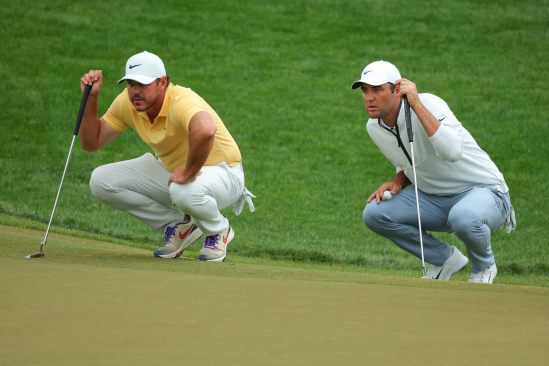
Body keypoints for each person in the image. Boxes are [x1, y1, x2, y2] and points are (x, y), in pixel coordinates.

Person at [79, 51, 255, 262]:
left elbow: (206, 130)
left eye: (142, 84)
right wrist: (91, 97)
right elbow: (91, 142)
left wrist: (188, 173)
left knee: (182, 188)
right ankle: (180, 226)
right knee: (101, 180)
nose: (135, 91)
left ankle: (218, 230)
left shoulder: (181, 101)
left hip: (225, 174)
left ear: (162, 82)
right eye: (130, 84)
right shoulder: (126, 102)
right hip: (176, 176)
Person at [353, 60, 516, 284]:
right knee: (374, 213)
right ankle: (444, 259)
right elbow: (410, 161)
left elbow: (452, 152)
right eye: (365, 90)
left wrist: (417, 105)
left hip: (485, 191)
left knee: (464, 217)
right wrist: (398, 181)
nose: (369, 97)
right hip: (437, 199)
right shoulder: (374, 128)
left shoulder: (429, 103)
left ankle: (483, 268)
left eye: (377, 90)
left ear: (397, 90)